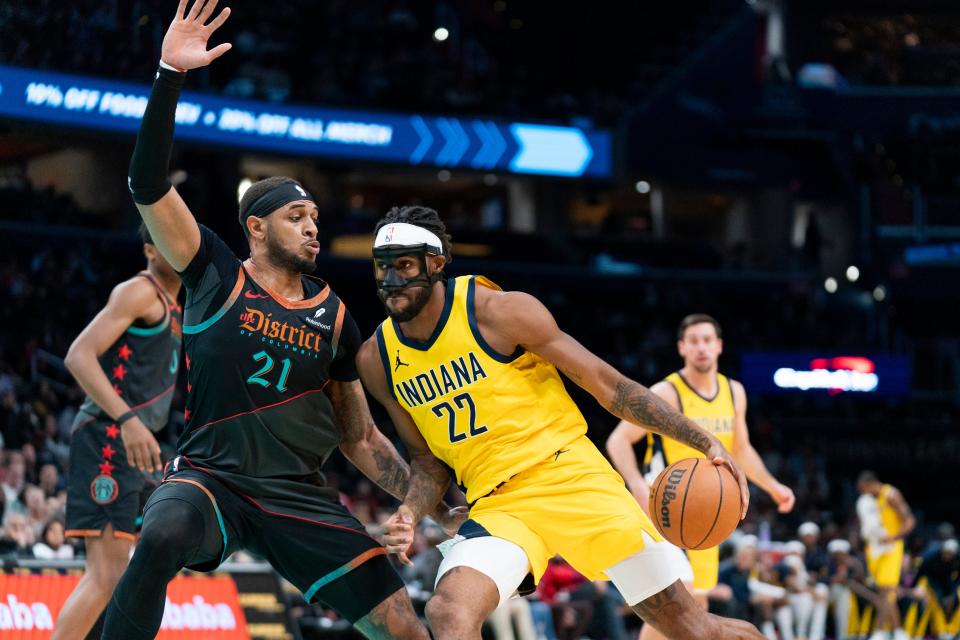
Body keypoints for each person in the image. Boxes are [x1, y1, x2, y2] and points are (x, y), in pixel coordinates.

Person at [101, 3, 458, 638]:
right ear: (256, 227)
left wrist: (432, 507)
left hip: (298, 495)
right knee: (160, 532)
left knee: (402, 625)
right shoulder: (214, 271)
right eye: (297, 216)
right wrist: (168, 75)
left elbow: (362, 439)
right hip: (212, 478)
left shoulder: (335, 313)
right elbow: (146, 182)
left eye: (316, 217)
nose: (313, 226)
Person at [358, 206, 764, 639]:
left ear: (436, 264)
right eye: (382, 267)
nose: (391, 280)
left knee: (693, 629)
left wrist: (704, 441)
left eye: (403, 265)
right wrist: (414, 511)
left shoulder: (498, 312)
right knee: (448, 611)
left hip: (571, 475)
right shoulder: (377, 359)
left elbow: (610, 387)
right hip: (500, 505)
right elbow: (427, 462)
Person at [605, 313, 795, 638]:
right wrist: (637, 484)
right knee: (678, 603)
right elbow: (618, 440)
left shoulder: (734, 392)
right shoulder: (666, 392)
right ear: (682, 348)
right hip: (667, 508)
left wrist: (773, 486)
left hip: (709, 510)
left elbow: (742, 449)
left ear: (719, 346)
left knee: (698, 606)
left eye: (708, 340)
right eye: (693, 341)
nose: (701, 347)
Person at [52, 223, 182, 639]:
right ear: (150, 250)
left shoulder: (182, 306)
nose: (182, 247)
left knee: (138, 572)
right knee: (105, 575)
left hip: (143, 444)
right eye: (169, 240)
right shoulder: (140, 292)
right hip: (109, 434)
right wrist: (126, 420)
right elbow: (78, 356)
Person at [856, 470, 915, 640]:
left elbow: (910, 521)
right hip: (876, 549)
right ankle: (897, 632)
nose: (862, 493)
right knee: (884, 592)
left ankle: (882, 632)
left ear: (871, 483)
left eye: (863, 489)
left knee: (887, 590)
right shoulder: (871, 500)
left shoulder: (891, 494)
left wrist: (893, 537)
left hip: (892, 547)